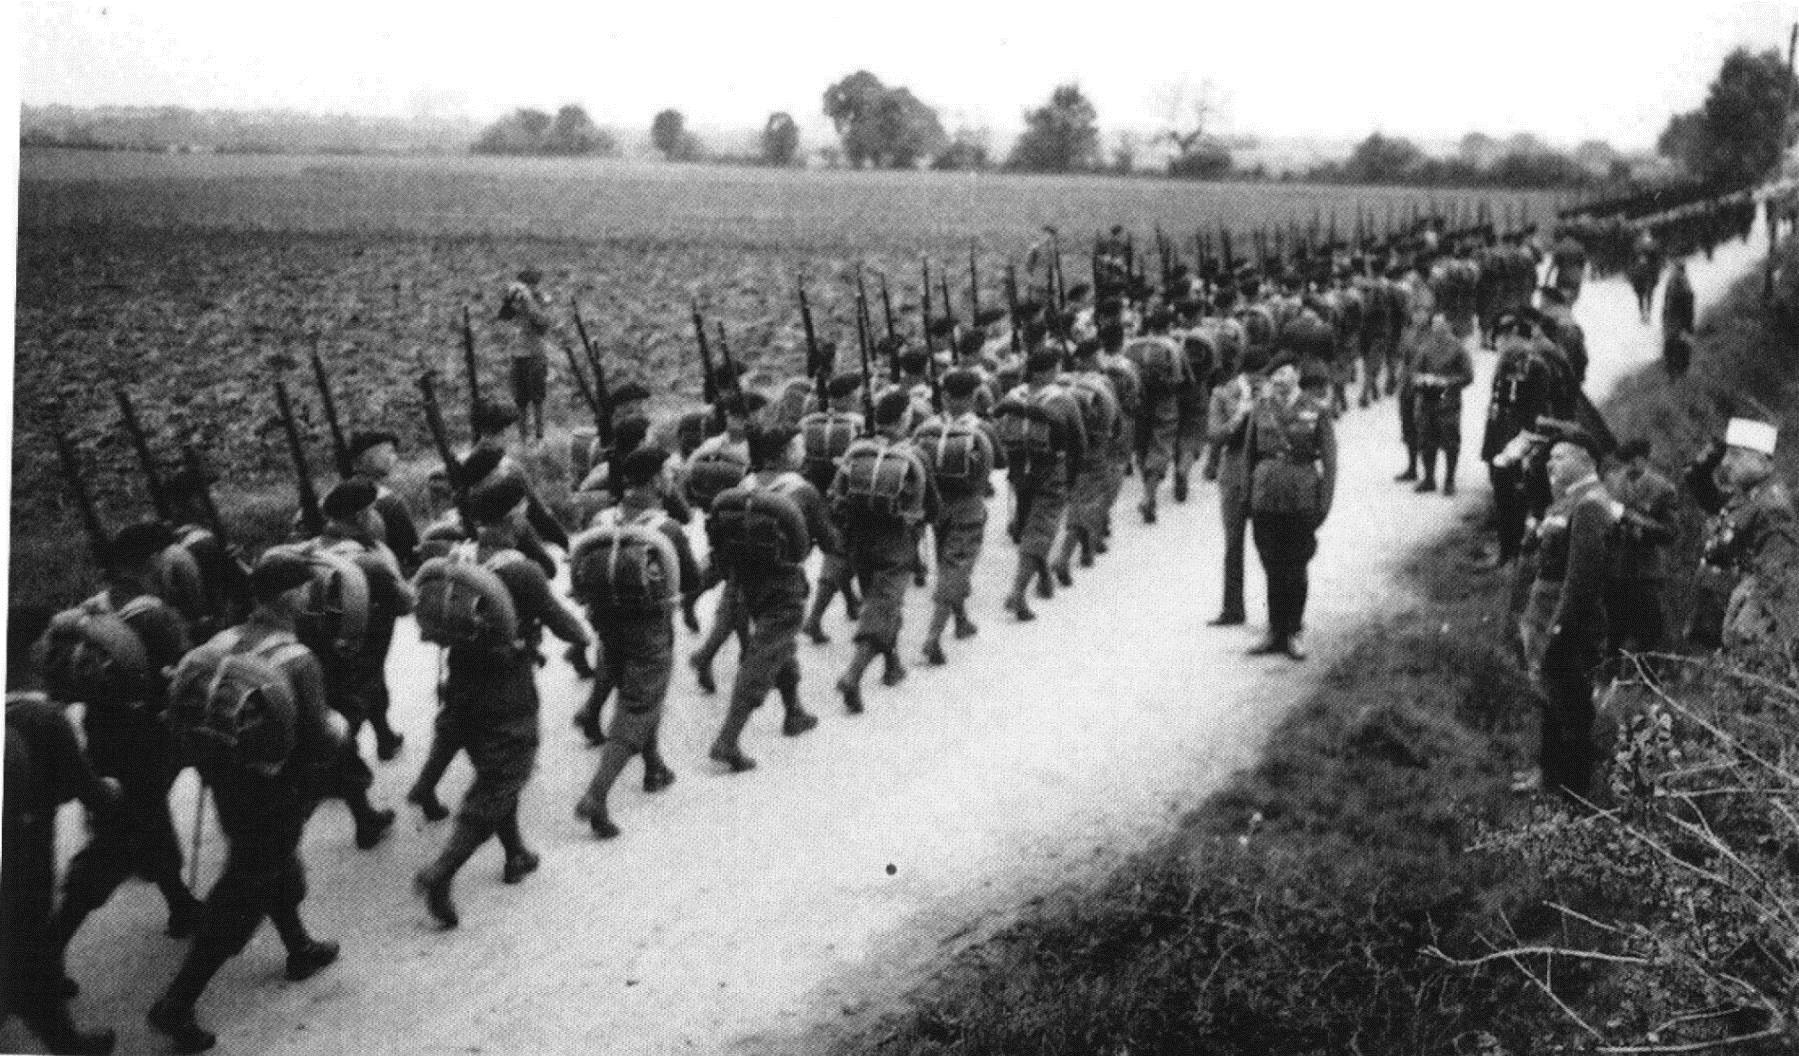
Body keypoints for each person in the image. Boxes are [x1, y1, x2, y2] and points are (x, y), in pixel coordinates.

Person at [148, 552, 349, 1054]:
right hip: (277, 790)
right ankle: (177, 1002)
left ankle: (299, 947)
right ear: (291, 597)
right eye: (305, 590)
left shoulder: (219, 643)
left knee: (268, 865)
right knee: (243, 892)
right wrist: (340, 729)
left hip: (227, 780)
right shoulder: (297, 659)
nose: (310, 597)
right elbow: (319, 738)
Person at [414, 477, 591, 929]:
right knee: (502, 777)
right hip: (506, 689)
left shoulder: (459, 558)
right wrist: (583, 635)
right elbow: (566, 627)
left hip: (460, 683)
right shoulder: (521, 571)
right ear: (515, 515)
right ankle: (442, 871)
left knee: (493, 772)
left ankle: (515, 853)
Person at [42, 523, 202, 960]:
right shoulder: (154, 614)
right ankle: (46, 952)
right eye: (166, 556)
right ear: (152, 561)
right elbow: (182, 674)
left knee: (145, 818)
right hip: (146, 734)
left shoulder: (94, 607)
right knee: (117, 843)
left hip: (103, 732)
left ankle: (180, 903)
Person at [4, 610, 123, 1056]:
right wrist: (110, 788)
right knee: (27, 938)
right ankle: (66, 1043)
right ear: (34, 651)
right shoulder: (44, 716)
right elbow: (87, 789)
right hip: (25, 847)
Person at [571, 447, 700, 835]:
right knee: (639, 704)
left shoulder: (601, 519)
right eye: (668, 473)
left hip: (606, 623)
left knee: (642, 693)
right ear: (656, 480)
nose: (672, 478)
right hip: (649, 627)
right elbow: (691, 581)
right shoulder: (665, 528)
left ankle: (653, 765)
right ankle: (596, 794)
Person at [708, 426, 841, 768]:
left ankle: (793, 711)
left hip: (746, 583)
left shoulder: (743, 486)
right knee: (763, 656)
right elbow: (830, 543)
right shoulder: (803, 491)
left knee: (779, 645)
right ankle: (727, 740)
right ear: (784, 454)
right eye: (797, 447)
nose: (802, 452)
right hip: (784, 585)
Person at [302, 481, 409, 848]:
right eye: (373, 510)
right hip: (356, 661)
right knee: (342, 735)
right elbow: (405, 603)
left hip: (323, 655)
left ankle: (385, 737)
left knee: (365, 698)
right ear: (363, 516)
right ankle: (364, 818)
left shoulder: (314, 550)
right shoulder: (369, 562)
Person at [1514, 431, 1618, 801]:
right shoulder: (1570, 499)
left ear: (1584, 460)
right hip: (1547, 615)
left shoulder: (1590, 504)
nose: (1549, 463)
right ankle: (1549, 776)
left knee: (1570, 708)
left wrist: (1559, 629)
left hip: (1569, 623)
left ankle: (1573, 796)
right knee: (1550, 698)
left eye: (1559, 457)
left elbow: (1581, 580)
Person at [830, 390, 935, 713]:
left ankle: (892, 664)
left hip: (860, 541)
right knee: (882, 606)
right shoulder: (915, 455)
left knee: (881, 605)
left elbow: (836, 496)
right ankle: (853, 674)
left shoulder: (856, 450)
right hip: (897, 544)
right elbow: (932, 504)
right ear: (904, 418)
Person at [1244, 359, 1337, 660]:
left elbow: (1330, 462)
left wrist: (1323, 503)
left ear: (1297, 374)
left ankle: (1293, 631)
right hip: (1266, 496)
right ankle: (1274, 631)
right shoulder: (1261, 407)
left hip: (1301, 497)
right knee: (1271, 563)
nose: (1279, 379)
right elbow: (1249, 456)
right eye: (1274, 374)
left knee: (1296, 565)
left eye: (1284, 372)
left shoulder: (1316, 409)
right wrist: (1248, 497)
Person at [1691, 418, 1799, 664]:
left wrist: (1743, 625)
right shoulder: (1747, 495)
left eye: (1736, 455)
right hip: (1724, 614)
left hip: (1749, 629)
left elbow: (1775, 575)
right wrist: (1709, 456)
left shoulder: (1772, 505)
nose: (1726, 463)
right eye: (1727, 454)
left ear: (1761, 460)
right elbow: (1700, 487)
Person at [914, 368, 1003, 664]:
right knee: (956, 567)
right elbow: (999, 461)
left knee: (947, 562)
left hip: (937, 507)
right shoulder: (982, 428)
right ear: (974, 396)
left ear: (944, 396)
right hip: (968, 506)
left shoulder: (926, 428)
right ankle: (933, 637)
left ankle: (961, 620)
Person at [994, 350, 1086, 620]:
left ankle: (1044, 576)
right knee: (1041, 530)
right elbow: (1079, 442)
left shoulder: (1013, 396)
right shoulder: (1063, 399)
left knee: (1030, 527)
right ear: (1049, 371)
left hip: (1020, 471)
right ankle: (1017, 592)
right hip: (1050, 471)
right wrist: (1072, 477)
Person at [798, 373, 867, 643]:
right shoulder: (857, 423)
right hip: (844, 496)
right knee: (839, 555)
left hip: (813, 494)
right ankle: (814, 618)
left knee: (839, 549)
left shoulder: (807, 422)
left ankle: (850, 602)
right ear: (849, 397)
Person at [1602, 439, 1679, 663]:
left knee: (1648, 636)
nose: (1626, 468)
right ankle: (1609, 676)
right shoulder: (1611, 482)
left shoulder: (1662, 489)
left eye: (1631, 462)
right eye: (1623, 463)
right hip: (1614, 570)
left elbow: (1670, 532)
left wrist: (1632, 518)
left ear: (1641, 461)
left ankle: (1647, 678)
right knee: (1611, 633)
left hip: (1644, 572)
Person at [1052, 339, 1121, 583]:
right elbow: (1114, 415)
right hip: (1094, 448)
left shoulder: (1062, 383)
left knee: (1079, 498)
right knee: (1089, 500)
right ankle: (1064, 556)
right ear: (1093, 357)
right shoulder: (1103, 382)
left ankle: (1088, 548)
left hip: (1065, 450)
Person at [1206, 347, 1264, 626]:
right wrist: (1239, 416)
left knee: (1270, 546)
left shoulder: (1275, 394)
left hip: (1261, 472)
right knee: (1234, 544)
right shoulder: (1224, 394)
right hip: (1235, 471)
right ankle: (1233, 609)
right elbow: (1214, 435)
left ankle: (1279, 615)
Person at [1409, 311, 1475, 496]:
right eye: (1434, 325)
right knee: (1425, 441)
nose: (1437, 329)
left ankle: (1449, 480)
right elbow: (1414, 371)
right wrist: (1421, 379)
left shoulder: (1458, 348)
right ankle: (1429, 478)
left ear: (1448, 326)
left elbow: (1468, 376)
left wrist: (1447, 381)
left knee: (1450, 442)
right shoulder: (1426, 347)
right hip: (1427, 401)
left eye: (1440, 325)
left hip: (1448, 402)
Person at [345, 429, 421, 574]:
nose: (395, 458)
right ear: (368, 457)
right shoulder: (389, 502)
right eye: (390, 452)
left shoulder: (334, 498)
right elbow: (412, 555)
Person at [499, 268, 553, 443]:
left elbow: (542, 325)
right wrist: (508, 300)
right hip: (517, 355)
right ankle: (523, 438)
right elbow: (503, 316)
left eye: (530, 285)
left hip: (535, 354)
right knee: (520, 400)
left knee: (537, 399)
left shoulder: (542, 300)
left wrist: (529, 303)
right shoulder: (517, 302)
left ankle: (539, 437)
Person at [1660, 261, 1696, 379]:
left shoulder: (1675, 282)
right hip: (1677, 321)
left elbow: (1668, 305)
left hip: (1675, 321)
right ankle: (1679, 373)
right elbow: (1688, 303)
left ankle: (1674, 374)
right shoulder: (1682, 283)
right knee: (1680, 346)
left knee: (1673, 346)